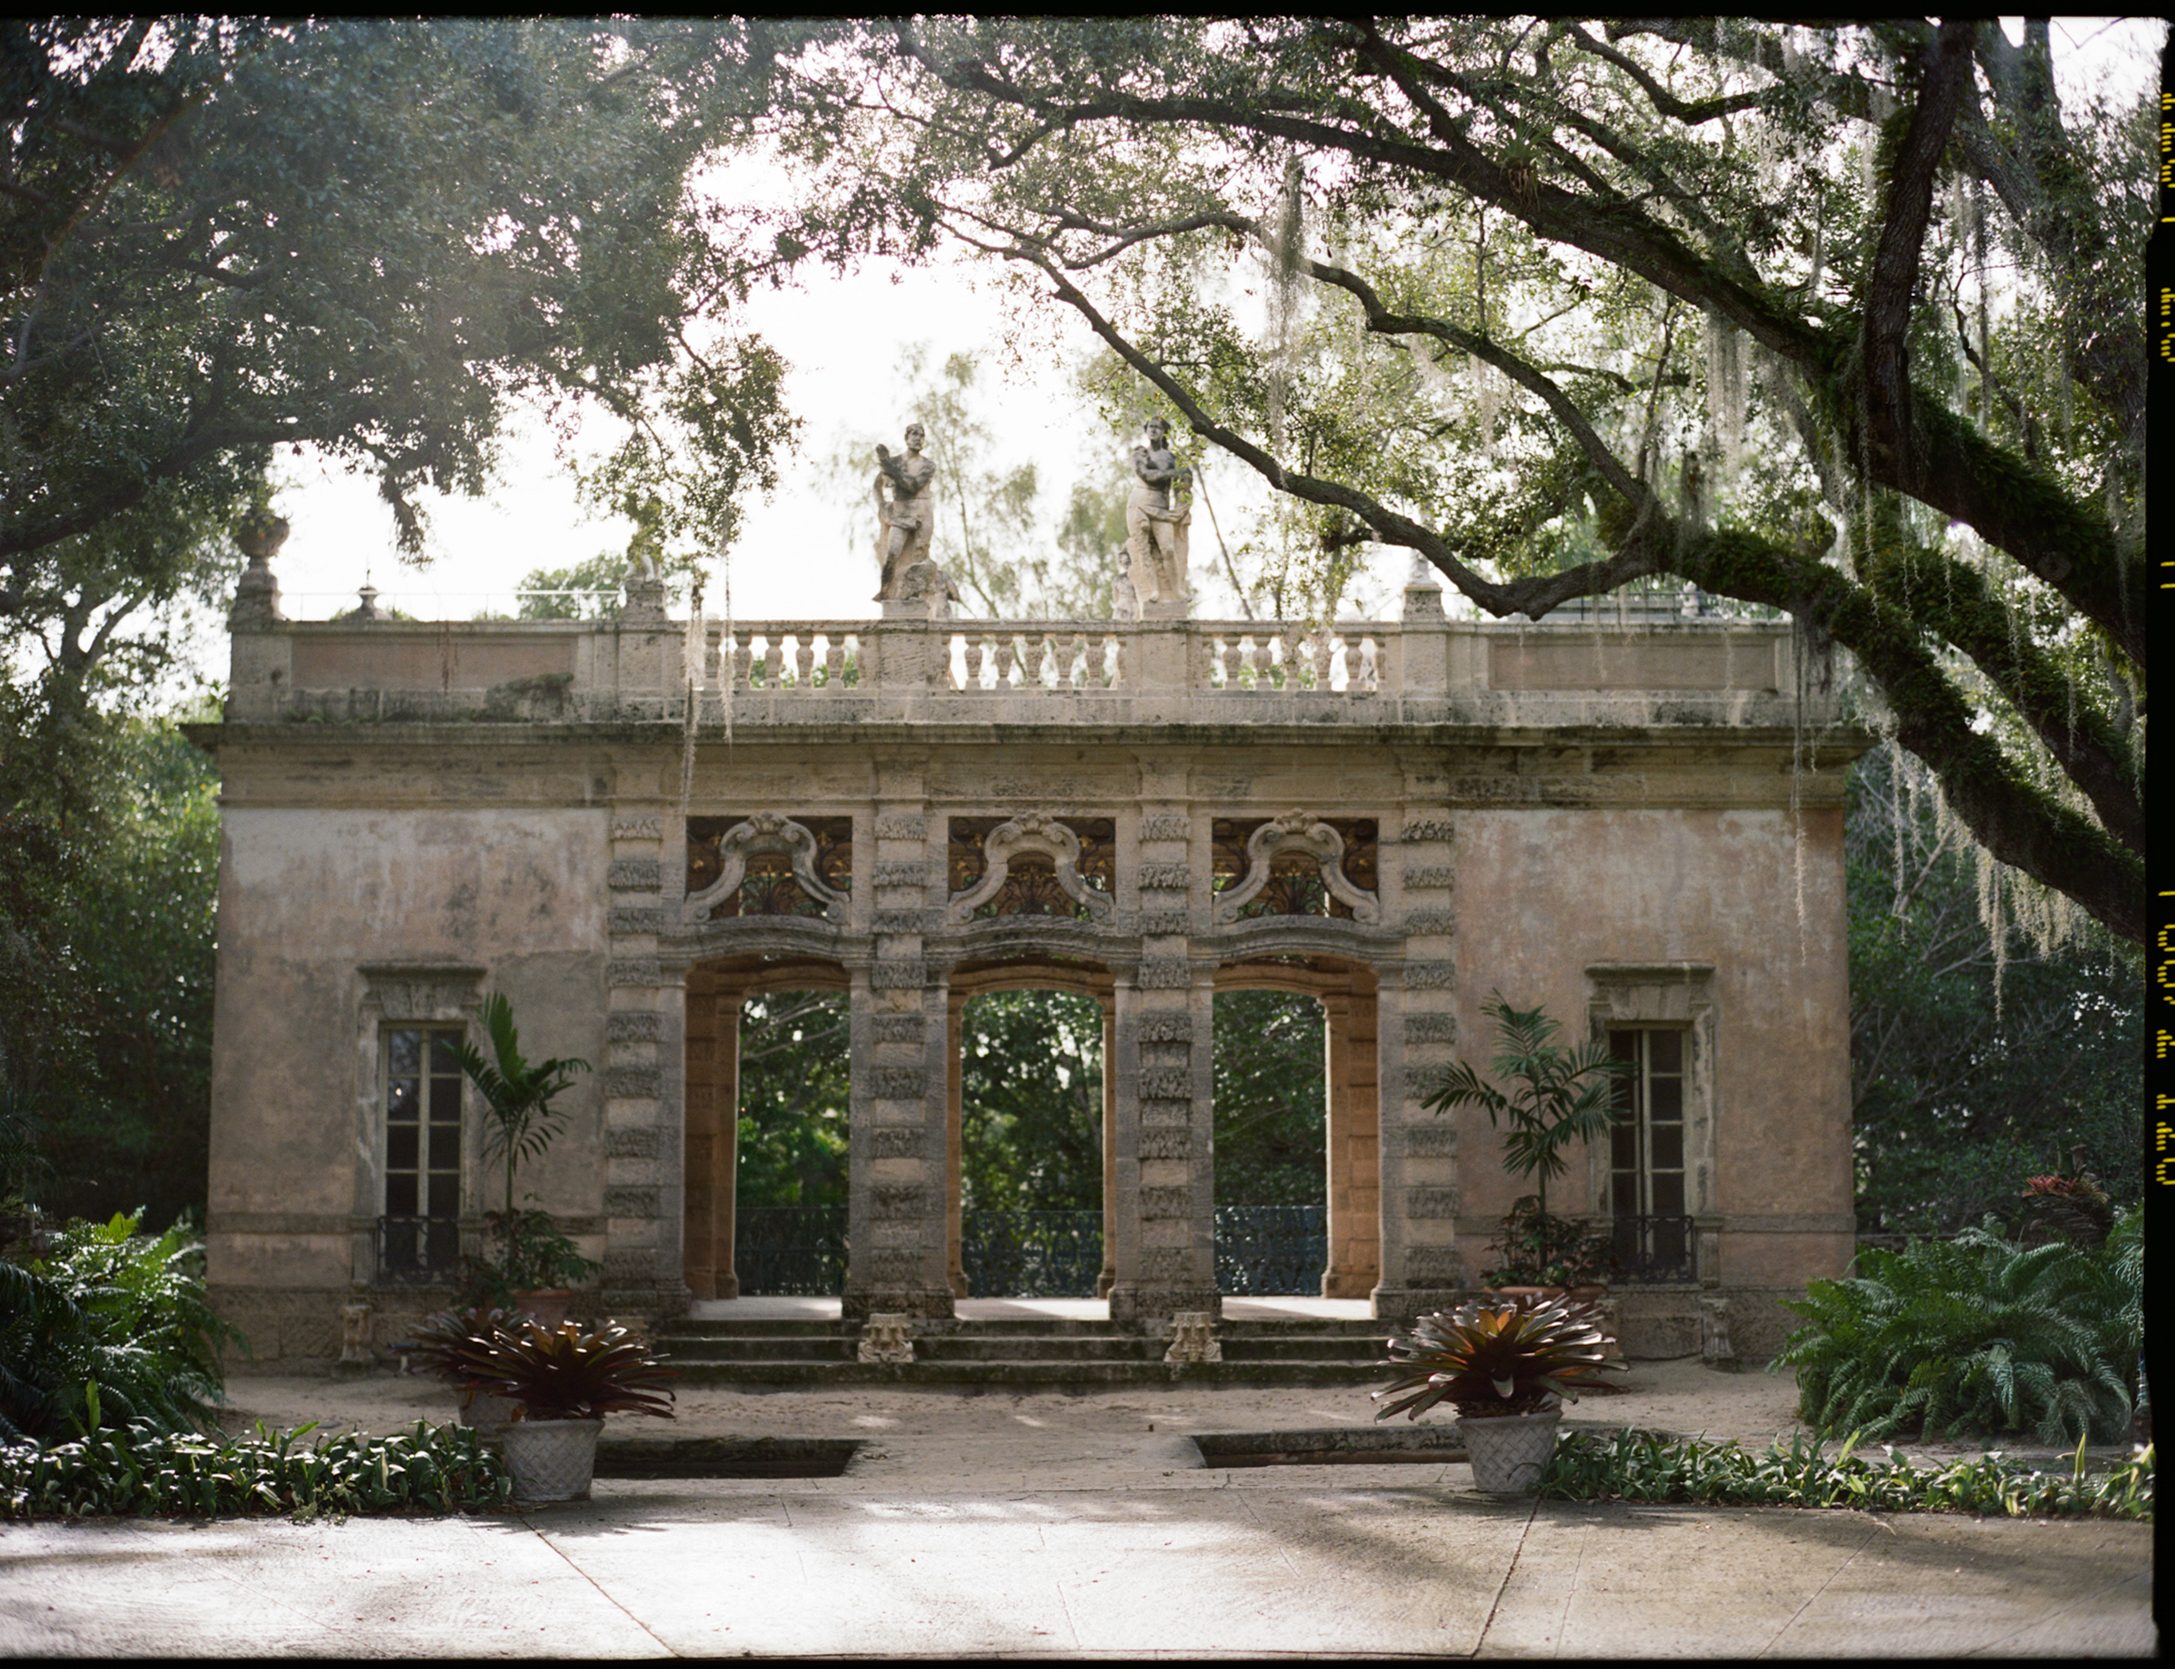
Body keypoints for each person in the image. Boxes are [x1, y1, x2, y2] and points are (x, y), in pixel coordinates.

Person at [1125, 418, 1192, 605]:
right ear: (1146, 430)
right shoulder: (1140, 453)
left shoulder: (1172, 458)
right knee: (1143, 551)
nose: (1153, 430)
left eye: (1157, 427)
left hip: (1161, 509)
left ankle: (1177, 589)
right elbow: (1147, 475)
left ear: (1163, 431)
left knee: (1168, 549)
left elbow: (1184, 483)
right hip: (1139, 505)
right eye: (1150, 427)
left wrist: (1182, 503)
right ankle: (1153, 590)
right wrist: (1173, 474)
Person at [872, 423, 937, 601]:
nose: (918, 438)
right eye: (914, 434)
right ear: (906, 437)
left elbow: (912, 485)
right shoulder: (895, 462)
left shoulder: (928, 465)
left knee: (920, 555)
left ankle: (914, 594)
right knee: (892, 553)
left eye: (921, 435)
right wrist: (882, 505)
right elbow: (876, 485)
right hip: (900, 512)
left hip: (922, 511)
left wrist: (887, 464)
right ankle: (886, 590)